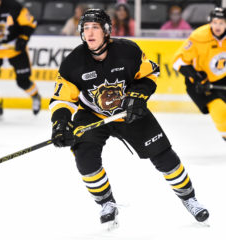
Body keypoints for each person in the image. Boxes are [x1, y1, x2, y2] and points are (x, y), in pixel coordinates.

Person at [49, 9, 209, 227]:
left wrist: (137, 96)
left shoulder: (127, 51)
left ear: (106, 31)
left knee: (164, 155)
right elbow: (62, 100)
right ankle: (106, 203)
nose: (89, 32)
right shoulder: (72, 63)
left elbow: (149, 75)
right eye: (85, 28)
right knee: (84, 158)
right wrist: (60, 124)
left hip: (129, 111)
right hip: (93, 115)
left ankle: (190, 199)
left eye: (95, 27)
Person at [173, 7, 226, 141]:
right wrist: (196, 77)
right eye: (214, 22)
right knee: (220, 109)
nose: (217, 26)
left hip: (222, 79)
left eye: (221, 22)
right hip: (200, 82)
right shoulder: (199, 36)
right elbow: (177, 61)